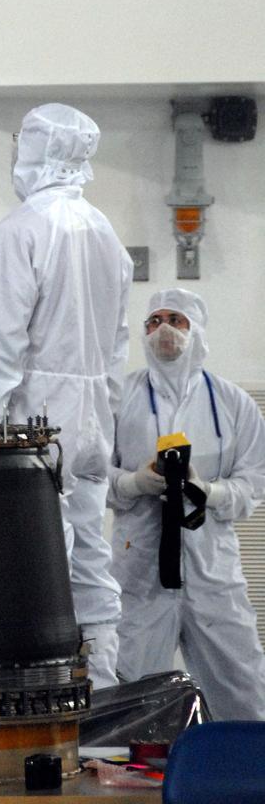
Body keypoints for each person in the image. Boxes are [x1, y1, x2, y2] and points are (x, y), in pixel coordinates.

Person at [0, 103, 133, 689]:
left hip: (36, 417)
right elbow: (117, 342)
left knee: (35, 558)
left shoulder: (24, 228)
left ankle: (40, 696)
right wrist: (103, 410)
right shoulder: (105, 231)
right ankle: (104, 700)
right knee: (91, 556)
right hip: (92, 420)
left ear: (38, 153)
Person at [109, 288, 265, 719]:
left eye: (175, 320)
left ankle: (249, 773)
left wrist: (208, 491)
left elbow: (254, 484)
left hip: (212, 573)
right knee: (131, 694)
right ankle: (132, 781)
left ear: (195, 330)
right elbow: (88, 478)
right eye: (153, 320)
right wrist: (134, 482)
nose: (163, 330)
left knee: (242, 683)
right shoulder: (119, 398)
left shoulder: (233, 404)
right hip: (140, 572)